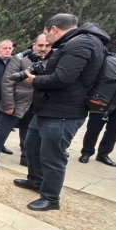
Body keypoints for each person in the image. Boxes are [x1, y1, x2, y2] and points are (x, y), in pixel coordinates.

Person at [14, 14, 109, 211]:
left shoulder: (81, 45)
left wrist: (34, 81)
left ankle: (50, 198)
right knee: (32, 145)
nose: (45, 38)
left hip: (62, 112)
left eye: (45, 33)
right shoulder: (74, 43)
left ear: (54, 29)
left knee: (52, 156)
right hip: (48, 109)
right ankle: (35, 181)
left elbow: (62, 78)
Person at [0, 34, 51, 167]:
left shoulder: (51, 61)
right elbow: (7, 82)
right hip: (16, 103)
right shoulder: (20, 60)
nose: (43, 48)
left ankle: (25, 157)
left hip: (35, 105)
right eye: (40, 45)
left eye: (47, 45)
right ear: (33, 45)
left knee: (28, 134)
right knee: (2, 132)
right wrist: (9, 104)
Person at [79, 33, 116, 167]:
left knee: (114, 130)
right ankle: (86, 152)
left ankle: (103, 154)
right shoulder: (109, 59)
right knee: (93, 128)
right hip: (103, 101)